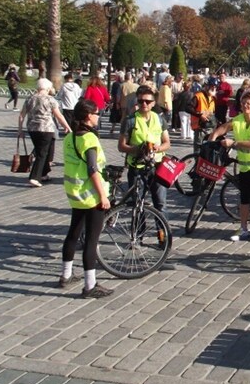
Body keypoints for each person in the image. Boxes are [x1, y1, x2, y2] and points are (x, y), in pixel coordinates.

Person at [60, 99, 113, 299]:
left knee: (73, 233)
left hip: (75, 192)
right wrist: (103, 196)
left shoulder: (70, 137)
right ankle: (90, 284)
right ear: (88, 116)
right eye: (96, 113)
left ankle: (66, 274)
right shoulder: (89, 139)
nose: (99, 116)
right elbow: (93, 170)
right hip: (91, 194)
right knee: (91, 239)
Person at [211, 89, 250, 244]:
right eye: (243, 103)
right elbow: (224, 128)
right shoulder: (238, 119)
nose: (245, 106)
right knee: (244, 197)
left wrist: (234, 143)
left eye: (249, 104)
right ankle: (244, 228)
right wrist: (212, 137)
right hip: (246, 166)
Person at [118, 85, 170, 220]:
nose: (144, 104)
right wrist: (137, 149)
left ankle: (162, 235)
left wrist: (158, 148)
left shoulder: (159, 119)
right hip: (137, 167)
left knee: (160, 203)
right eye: (140, 101)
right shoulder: (130, 120)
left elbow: (167, 143)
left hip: (157, 167)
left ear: (153, 103)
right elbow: (121, 146)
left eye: (147, 101)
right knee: (137, 204)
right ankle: (138, 236)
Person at [18, 78, 71, 187]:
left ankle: (44, 173)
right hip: (46, 129)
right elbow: (58, 115)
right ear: (47, 88)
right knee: (42, 153)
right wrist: (67, 127)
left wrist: (20, 130)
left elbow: (21, 115)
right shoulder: (50, 100)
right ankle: (34, 177)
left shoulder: (29, 98)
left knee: (41, 150)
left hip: (32, 128)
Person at [188, 79, 217, 152]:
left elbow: (212, 112)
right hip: (200, 128)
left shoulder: (212, 98)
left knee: (208, 151)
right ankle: (197, 162)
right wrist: (200, 115)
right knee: (198, 150)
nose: (214, 89)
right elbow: (188, 108)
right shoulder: (198, 96)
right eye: (212, 87)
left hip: (210, 128)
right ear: (206, 86)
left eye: (215, 87)